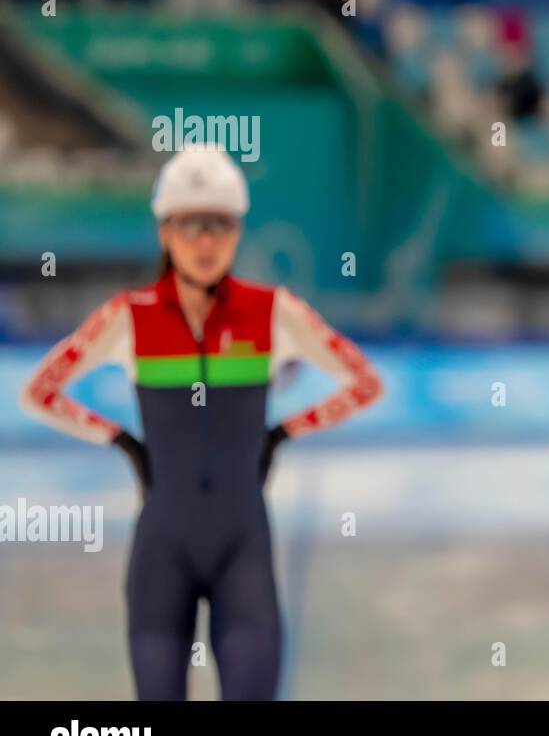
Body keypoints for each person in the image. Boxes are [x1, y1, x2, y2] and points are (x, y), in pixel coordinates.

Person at [19, 145, 383, 700]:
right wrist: (120, 441)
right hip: (162, 555)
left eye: (220, 226)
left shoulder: (272, 311)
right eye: (190, 226)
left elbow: (364, 381)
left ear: (238, 233)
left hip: (244, 553)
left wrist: (285, 431)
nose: (206, 242)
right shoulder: (129, 316)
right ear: (165, 232)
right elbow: (40, 392)